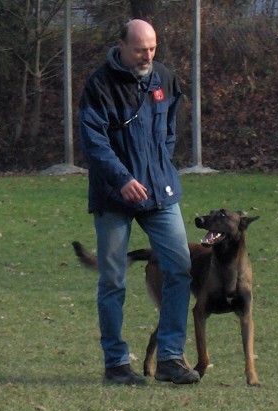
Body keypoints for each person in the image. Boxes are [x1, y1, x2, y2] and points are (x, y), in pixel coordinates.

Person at [78, 19, 199, 385]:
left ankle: (170, 357)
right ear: (121, 46)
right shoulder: (99, 86)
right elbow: (93, 142)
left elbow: (169, 128)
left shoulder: (163, 78)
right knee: (113, 280)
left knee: (179, 269)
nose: (148, 55)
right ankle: (116, 364)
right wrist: (123, 178)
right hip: (114, 195)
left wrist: (159, 166)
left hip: (159, 193)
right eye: (140, 49)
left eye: (152, 48)